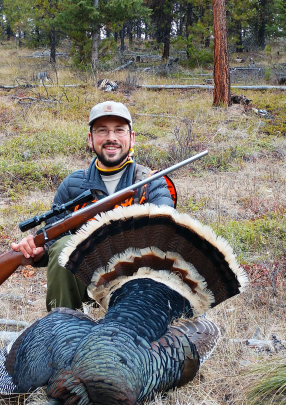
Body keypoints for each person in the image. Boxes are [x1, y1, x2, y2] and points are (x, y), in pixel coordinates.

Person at [11, 101, 175, 311]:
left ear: (131, 138)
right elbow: (54, 243)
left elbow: (167, 235)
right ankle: (63, 329)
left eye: (119, 130)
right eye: (102, 131)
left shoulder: (152, 182)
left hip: (138, 279)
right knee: (63, 246)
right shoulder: (72, 185)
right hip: (88, 278)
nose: (111, 138)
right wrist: (38, 250)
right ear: (91, 139)